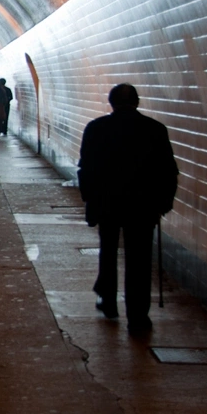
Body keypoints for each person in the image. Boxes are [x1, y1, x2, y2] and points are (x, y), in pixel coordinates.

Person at [77, 83, 178, 336]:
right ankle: (138, 317)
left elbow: (86, 169)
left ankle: (108, 301)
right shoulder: (155, 129)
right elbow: (168, 171)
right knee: (139, 260)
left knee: (108, 252)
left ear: (111, 103)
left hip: (107, 203)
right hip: (142, 207)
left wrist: (89, 201)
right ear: (137, 102)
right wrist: (164, 203)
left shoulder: (96, 128)